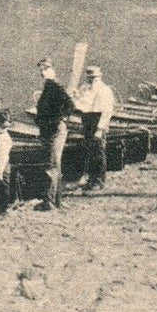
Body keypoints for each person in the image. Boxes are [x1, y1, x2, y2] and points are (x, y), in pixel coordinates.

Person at [34, 58, 73, 210]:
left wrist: (60, 118)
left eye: (44, 70)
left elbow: (70, 105)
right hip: (51, 129)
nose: (42, 73)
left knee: (52, 164)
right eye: (41, 70)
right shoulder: (50, 86)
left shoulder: (54, 85)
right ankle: (56, 201)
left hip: (54, 130)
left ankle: (49, 201)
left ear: (50, 70)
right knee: (55, 164)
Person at [74, 66, 116, 190]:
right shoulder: (84, 88)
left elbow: (107, 111)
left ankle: (98, 180)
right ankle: (91, 178)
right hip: (87, 119)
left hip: (98, 120)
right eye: (90, 77)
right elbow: (81, 105)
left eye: (94, 78)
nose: (92, 80)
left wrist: (100, 129)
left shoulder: (104, 90)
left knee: (98, 151)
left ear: (99, 77)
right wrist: (76, 97)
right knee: (89, 150)